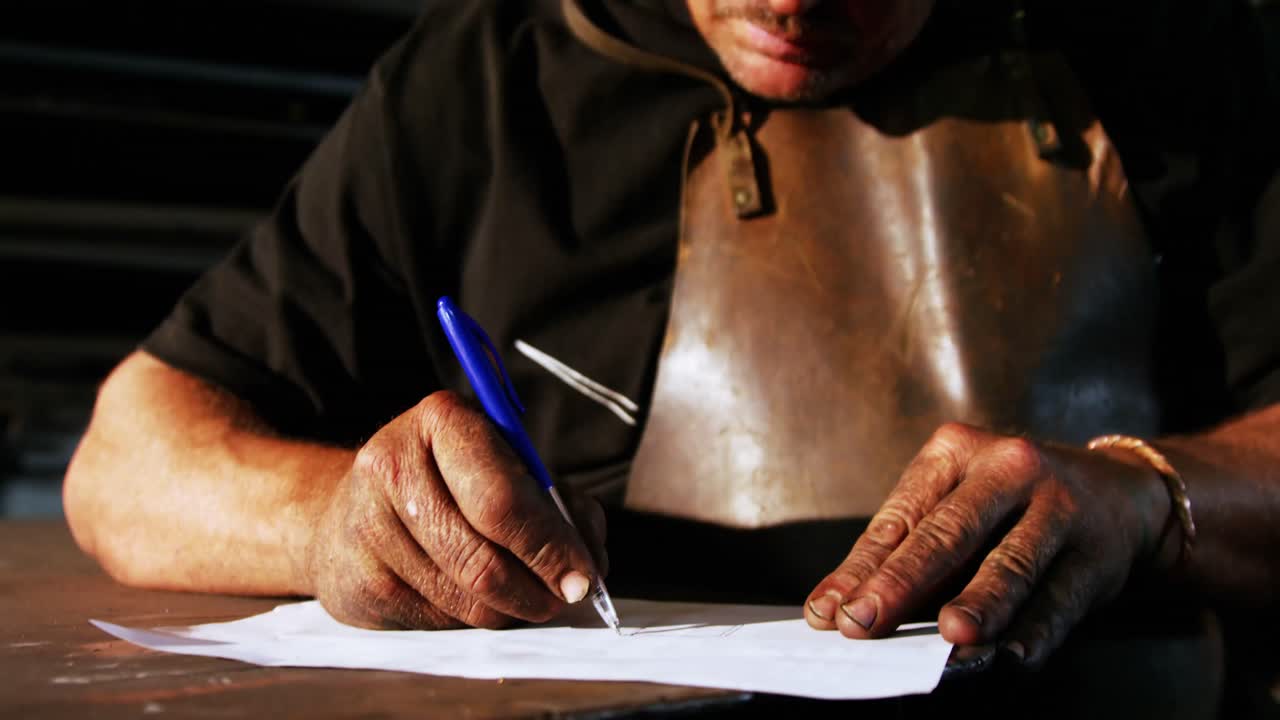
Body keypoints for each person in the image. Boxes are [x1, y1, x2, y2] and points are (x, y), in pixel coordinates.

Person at [63, 0, 1277, 697]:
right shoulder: (493, 76)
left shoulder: (1166, 55)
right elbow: (127, 461)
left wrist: (1147, 494)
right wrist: (341, 518)